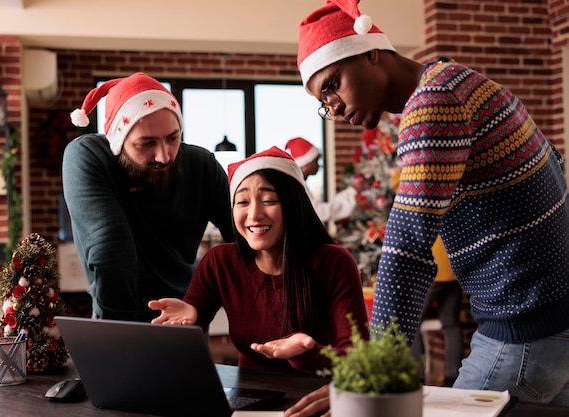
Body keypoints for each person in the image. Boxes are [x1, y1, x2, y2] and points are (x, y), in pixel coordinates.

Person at [286, 0, 569, 413]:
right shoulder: (456, 79)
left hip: (522, 334)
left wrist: (368, 373)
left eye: (332, 84)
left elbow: (407, 246)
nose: (334, 107)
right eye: (322, 102)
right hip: (550, 324)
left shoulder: (434, 101)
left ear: (370, 52)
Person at [148, 146, 369, 374]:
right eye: (242, 202)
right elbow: (189, 334)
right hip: (249, 398)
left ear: (293, 205)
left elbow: (359, 357)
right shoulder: (220, 262)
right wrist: (191, 320)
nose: (253, 214)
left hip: (318, 397)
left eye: (269, 200)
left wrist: (308, 354)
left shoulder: (333, 263)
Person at [62, 72, 234, 322]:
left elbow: (244, 239)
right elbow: (111, 247)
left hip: (183, 315)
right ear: (118, 141)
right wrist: (115, 330)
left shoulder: (201, 165)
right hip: (119, 318)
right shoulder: (89, 156)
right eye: (147, 143)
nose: (164, 156)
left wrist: (203, 305)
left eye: (173, 138)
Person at [410, 235, 463, 388]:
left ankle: (416, 376)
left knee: (413, 323)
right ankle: (452, 376)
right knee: (451, 324)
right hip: (452, 268)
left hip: (430, 267)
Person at [284, 136, 368, 222]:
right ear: (305, 164)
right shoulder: (297, 187)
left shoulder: (297, 184)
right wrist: (353, 191)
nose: (318, 165)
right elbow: (320, 212)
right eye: (316, 161)